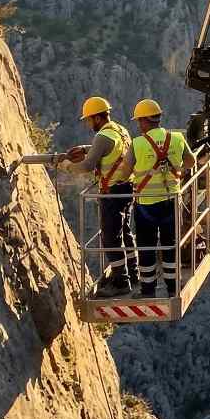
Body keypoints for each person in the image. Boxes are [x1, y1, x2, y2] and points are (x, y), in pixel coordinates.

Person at [113, 99, 195, 298]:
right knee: (170, 246)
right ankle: (173, 289)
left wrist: (116, 179)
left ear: (143, 121)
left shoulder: (138, 143)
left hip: (146, 206)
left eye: (139, 121)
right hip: (171, 201)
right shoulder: (176, 138)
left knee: (147, 248)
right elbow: (191, 161)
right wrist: (177, 169)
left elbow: (124, 174)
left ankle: (148, 291)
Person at [57, 96, 135, 298]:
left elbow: (87, 166)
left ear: (96, 118)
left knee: (110, 237)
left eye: (88, 120)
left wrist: (64, 166)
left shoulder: (102, 136)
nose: (87, 123)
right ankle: (133, 273)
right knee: (125, 232)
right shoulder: (120, 131)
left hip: (112, 193)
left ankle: (121, 281)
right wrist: (85, 148)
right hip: (127, 188)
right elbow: (111, 151)